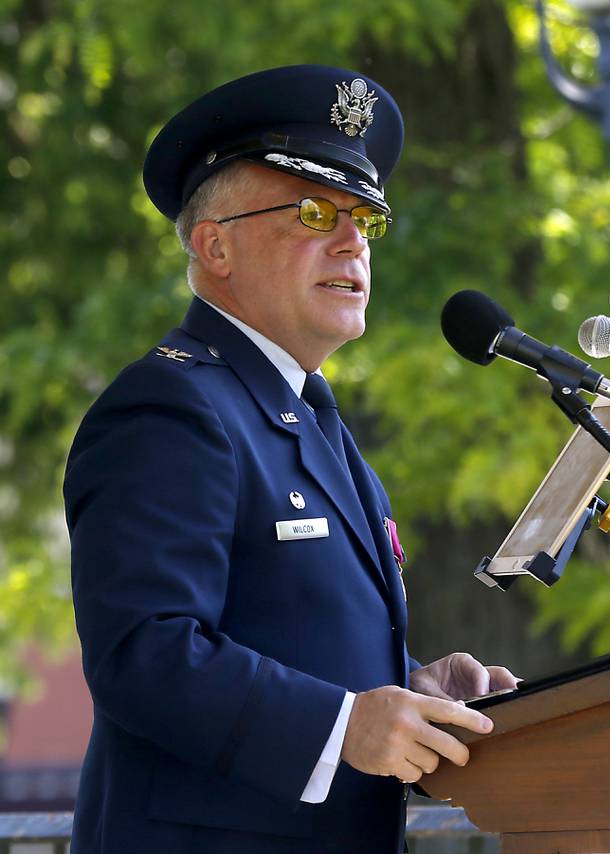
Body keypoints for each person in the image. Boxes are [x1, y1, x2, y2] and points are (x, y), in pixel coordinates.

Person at [64, 64, 517, 854]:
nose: (352, 241)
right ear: (216, 246)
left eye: (366, 219)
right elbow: (144, 651)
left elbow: (290, 631)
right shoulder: (169, 408)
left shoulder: (308, 417)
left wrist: (412, 688)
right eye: (314, 212)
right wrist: (346, 725)